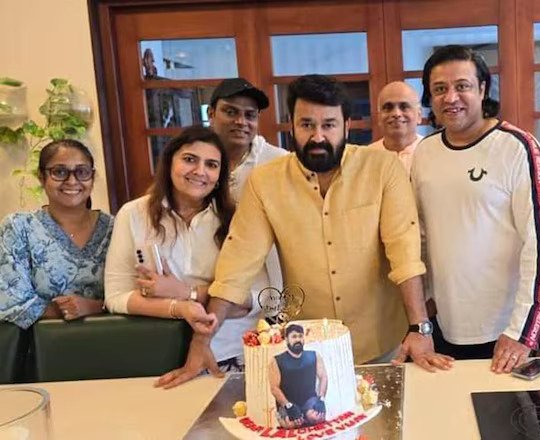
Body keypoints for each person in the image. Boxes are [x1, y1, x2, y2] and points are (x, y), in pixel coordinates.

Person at [155, 74, 452, 389]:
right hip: (308, 349)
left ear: (346, 126)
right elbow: (236, 266)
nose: (318, 136)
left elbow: (404, 253)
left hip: (383, 344)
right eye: (307, 124)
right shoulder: (265, 182)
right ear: (292, 126)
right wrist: (202, 342)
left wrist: (420, 328)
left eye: (329, 125)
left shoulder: (381, 169)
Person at [411, 45, 540, 373]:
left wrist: (522, 332)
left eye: (462, 86)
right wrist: (422, 314)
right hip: (442, 328)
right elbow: (418, 236)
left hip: (505, 334)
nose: (451, 98)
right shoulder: (425, 152)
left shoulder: (518, 148)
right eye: (440, 89)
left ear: (482, 89)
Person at [105, 126, 256, 371]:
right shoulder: (133, 214)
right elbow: (116, 297)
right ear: (169, 163)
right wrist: (179, 307)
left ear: (220, 175)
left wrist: (187, 292)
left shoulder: (238, 218)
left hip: (230, 354)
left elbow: (257, 298)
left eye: (211, 165)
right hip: (159, 354)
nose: (200, 171)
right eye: (189, 159)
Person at [0, 140, 113, 327]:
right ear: (41, 177)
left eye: (82, 172)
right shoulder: (19, 228)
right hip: (39, 342)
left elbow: (132, 293)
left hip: (114, 337)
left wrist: (94, 307)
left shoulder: (116, 228)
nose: (72, 181)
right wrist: (66, 310)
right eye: (59, 172)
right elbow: (10, 302)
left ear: (92, 178)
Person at [207, 77, 287, 290]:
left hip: (264, 283)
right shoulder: (198, 161)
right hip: (207, 274)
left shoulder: (279, 163)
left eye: (250, 115)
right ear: (211, 114)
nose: (241, 122)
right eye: (231, 112)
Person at [269, 324, 327, 428]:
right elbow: (274, 388)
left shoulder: (314, 355)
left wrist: (321, 399)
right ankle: (289, 416)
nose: (298, 339)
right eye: (294, 336)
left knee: (316, 418)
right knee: (290, 424)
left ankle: (306, 416)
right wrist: (288, 406)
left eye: (300, 336)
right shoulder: (276, 360)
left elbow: (323, 377)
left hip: (309, 400)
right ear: (287, 340)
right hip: (287, 402)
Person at [369, 81, 423, 174]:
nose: (396, 114)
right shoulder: (367, 158)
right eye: (388, 107)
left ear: (419, 115)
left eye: (404, 107)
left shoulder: (433, 152)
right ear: (378, 117)